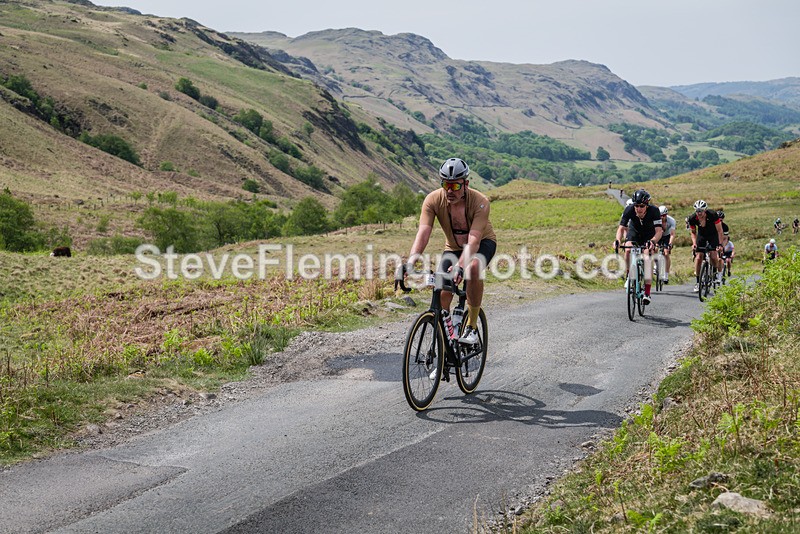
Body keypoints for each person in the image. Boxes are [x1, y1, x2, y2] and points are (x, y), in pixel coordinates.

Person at [403, 158, 496, 344]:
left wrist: (460, 267)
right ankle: (446, 348)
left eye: (455, 186)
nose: (449, 191)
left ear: (466, 184)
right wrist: (409, 263)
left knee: (473, 269)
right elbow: (423, 233)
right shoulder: (433, 200)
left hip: (482, 243)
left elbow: (474, 241)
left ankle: (472, 327)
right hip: (453, 248)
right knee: (442, 294)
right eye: (446, 185)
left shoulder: (480, 202)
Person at [614, 189, 663, 305]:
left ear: (646, 205)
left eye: (641, 206)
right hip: (634, 232)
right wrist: (617, 240)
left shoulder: (654, 211)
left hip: (649, 235)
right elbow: (621, 228)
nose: (638, 209)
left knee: (647, 258)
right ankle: (628, 275)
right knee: (627, 249)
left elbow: (659, 231)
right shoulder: (629, 210)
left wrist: (653, 241)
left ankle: (647, 292)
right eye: (636, 206)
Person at [687, 199, 725, 292]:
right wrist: (694, 243)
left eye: (701, 211)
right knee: (699, 257)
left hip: (713, 235)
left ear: (705, 210)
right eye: (697, 211)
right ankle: (698, 282)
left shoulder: (712, 215)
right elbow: (693, 232)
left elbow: (720, 231)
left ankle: (715, 272)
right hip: (702, 235)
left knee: (713, 255)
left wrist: (720, 244)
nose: (699, 213)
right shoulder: (692, 218)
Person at [656, 205, 676, 283]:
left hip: (667, 236)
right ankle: (655, 266)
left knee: (666, 253)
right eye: (660, 216)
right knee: (654, 248)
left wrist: (670, 244)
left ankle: (666, 275)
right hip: (658, 234)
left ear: (666, 215)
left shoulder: (671, 221)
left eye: (663, 216)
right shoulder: (656, 220)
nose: (661, 217)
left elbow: (672, 234)